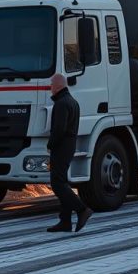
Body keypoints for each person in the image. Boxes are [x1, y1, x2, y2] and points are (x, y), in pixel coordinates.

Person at [47, 73, 93, 233]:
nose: (50, 88)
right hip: (69, 146)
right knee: (63, 182)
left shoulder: (61, 104)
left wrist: (50, 144)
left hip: (61, 147)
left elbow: (59, 129)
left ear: (58, 86)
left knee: (57, 183)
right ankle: (65, 221)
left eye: (52, 84)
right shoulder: (72, 101)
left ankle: (82, 210)